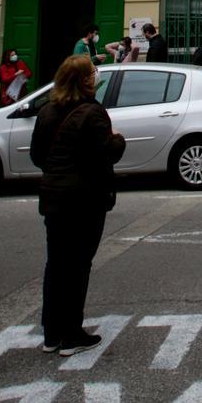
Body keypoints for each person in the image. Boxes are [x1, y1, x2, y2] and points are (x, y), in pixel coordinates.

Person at [30, 54, 126, 354]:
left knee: (56, 264)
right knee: (79, 265)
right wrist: (118, 140)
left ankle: (51, 334)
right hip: (85, 198)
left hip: (54, 196)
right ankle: (72, 335)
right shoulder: (92, 113)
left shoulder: (47, 111)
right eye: (93, 72)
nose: (96, 76)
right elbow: (107, 153)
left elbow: (37, 156)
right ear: (85, 80)